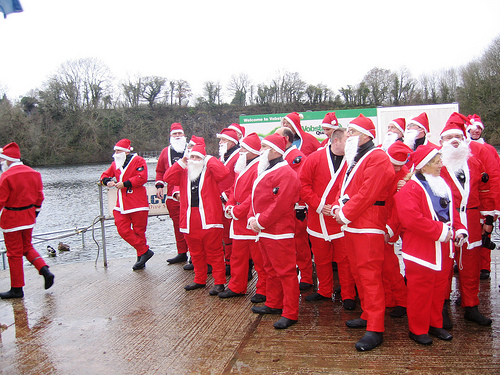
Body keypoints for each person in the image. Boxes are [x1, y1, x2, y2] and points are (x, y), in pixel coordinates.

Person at [333, 114, 395, 351]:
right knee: (360, 274)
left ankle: (376, 328)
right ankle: (368, 314)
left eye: (352, 132)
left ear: (366, 136)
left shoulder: (377, 157)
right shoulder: (357, 158)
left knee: (370, 277)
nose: (347, 135)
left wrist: (344, 213)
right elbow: (347, 189)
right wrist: (340, 207)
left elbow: (368, 192)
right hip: (354, 224)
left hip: (368, 224)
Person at [394, 145, 467, 345]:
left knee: (438, 290)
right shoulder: (409, 190)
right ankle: (417, 329)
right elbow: (412, 220)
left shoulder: (441, 183)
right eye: (437, 162)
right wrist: (443, 232)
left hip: (443, 249)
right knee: (420, 292)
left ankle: (435, 324)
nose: (441, 164)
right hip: (421, 251)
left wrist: (459, 229)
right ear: (424, 166)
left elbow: (453, 213)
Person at [439, 114, 493, 327]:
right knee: (444, 267)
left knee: (470, 267)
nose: (454, 140)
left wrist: (488, 218)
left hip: (471, 220)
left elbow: (485, 191)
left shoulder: (474, 162)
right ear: (442, 140)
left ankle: (471, 306)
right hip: (446, 221)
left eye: (458, 136)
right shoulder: (436, 163)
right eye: (449, 137)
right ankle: (441, 308)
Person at [299, 128, 357, 309]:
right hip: (317, 219)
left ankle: (348, 294)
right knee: (322, 259)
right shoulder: (314, 159)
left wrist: (340, 207)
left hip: (340, 219)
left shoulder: (352, 161)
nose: (351, 144)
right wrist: (317, 205)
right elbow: (302, 184)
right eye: (347, 140)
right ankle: (324, 290)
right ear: (336, 141)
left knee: (344, 260)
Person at [248, 133, 301, 329]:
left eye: (264, 147)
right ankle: (274, 302)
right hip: (265, 230)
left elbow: (281, 204)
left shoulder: (286, 173)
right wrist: (253, 219)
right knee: (270, 269)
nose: (261, 151)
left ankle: (291, 312)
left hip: (279, 231)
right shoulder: (267, 169)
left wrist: (259, 221)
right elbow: (256, 199)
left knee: (285, 272)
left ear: (274, 150)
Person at [164, 142, 229, 295]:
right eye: (191, 156)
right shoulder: (184, 172)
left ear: (203, 159)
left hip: (209, 217)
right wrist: (181, 162)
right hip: (189, 218)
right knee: (195, 251)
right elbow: (167, 177)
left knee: (215, 252)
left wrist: (209, 159)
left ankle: (219, 282)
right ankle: (199, 279)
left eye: (197, 157)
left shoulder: (210, 171)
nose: (193, 159)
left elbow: (224, 173)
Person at [0, 142, 54, 299]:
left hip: (11, 219)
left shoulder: (6, 176)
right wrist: (34, 214)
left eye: (2, 160)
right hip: (29, 217)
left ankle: (17, 289)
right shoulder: (34, 173)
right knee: (27, 246)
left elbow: (1, 201)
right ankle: (45, 270)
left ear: (8, 160)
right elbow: (39, 197)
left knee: (13, 253)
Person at [219, 133, 267, 302]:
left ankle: (263, 289)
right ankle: (236, 286)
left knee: (259, 258)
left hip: (249, 218)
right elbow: (234, 189)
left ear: (253, 150)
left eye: (244, 148)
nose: (240, 151)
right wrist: (230, 205)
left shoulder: (259, 167)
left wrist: (237, 210)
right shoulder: (243, 166)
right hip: (238, 219)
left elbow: (255, 194)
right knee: (237, 256)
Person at [101, 139, 153, 270]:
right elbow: (105, 175)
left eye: (118, 150)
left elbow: (142, 177)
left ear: (126, 151)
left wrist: (125, 184)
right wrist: (107, 181)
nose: (116, 153)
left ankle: (141, 259)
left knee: (139, 232)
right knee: (122, 228)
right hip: (122, 204)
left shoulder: (138, 160)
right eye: (115, 151)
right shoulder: (115, 164)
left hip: (138, 203)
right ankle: (145, 251)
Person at [275, 127, 313, 291]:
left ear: (286, 138)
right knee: (288, 245)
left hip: (295, 207)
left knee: (300, 244)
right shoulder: (281, 156)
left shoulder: (296, 157)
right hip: (283, 208)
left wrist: (301, 206)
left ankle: (306, 277)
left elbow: (301, 183)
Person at [466, 114, 500, 280]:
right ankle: (465, 264)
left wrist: (495, 208)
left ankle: (484, 267)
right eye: (473, 129)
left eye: (479, 128)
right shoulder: (463, 149)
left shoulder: (490, 150)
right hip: (470, 198)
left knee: (486, 232)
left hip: (485, 197)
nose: (476, 131)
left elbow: (495, 176)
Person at [383, 142, 411, 318]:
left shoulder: (404, 177)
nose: (397, 168)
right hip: (380, 221)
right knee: (383, 264)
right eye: (394, 165)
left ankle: (402, 300)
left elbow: (398, 207)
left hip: (390, 222)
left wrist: (389, 229)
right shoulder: (383, 168)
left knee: (389, 265)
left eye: (399, 166)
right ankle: (389, 299)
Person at [155, 123, 189, 264]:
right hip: (171, 195)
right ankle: (182, 252)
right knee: (177, 225)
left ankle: (195, 255)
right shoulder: (165, 152)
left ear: (184, 135)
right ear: (170, 136)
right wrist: (159, 185)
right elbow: (159, 171)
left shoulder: (191, 149)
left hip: (190, 193)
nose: (177, 136)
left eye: (179, 134)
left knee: (192, 225)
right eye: (174, 134)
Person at [217, 128, 241, 273]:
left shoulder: (238, 156)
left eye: (223, 140)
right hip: (222, 201)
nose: (220, 143)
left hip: (231, 201)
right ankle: (228, 261)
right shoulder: (224, 156)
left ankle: (236, 264)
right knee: (226, 234)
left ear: (232, 142)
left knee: (234, 234)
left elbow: (238, 179)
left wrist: (226, 196)